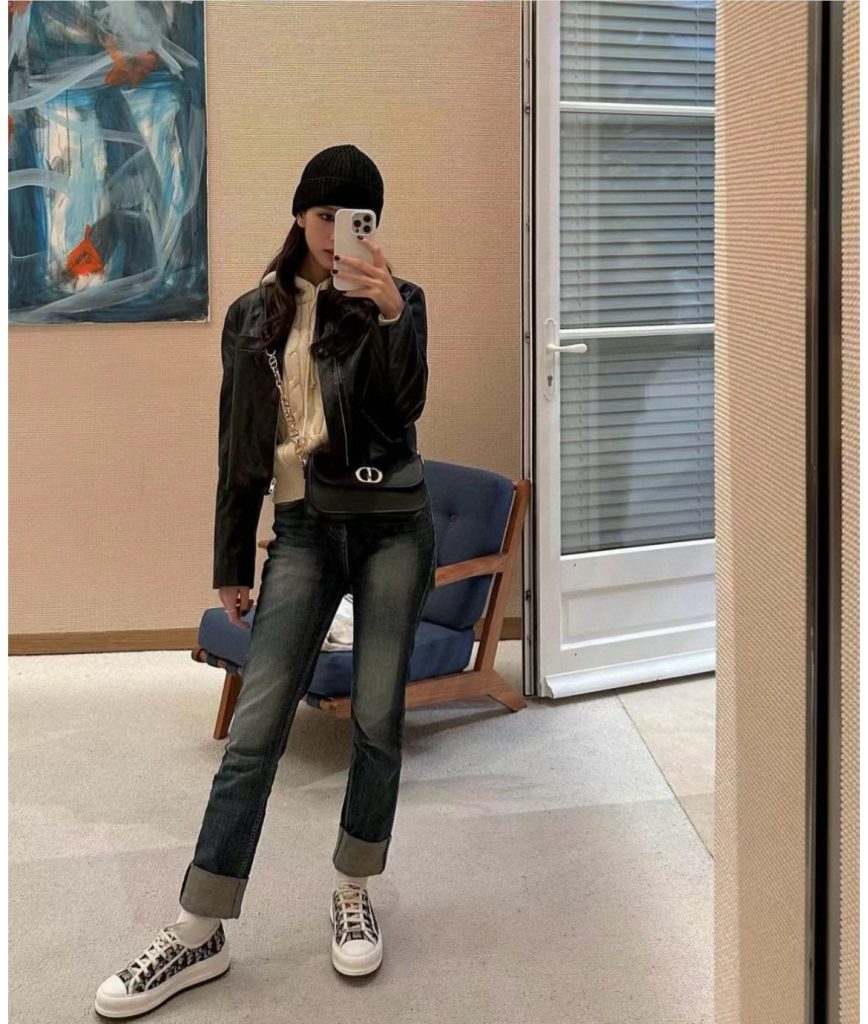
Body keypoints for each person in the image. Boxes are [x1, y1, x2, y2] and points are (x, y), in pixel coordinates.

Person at [95, 145, 436, 1018]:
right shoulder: (254, 314)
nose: (334, 232)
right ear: (299, 215)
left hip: (393, 525)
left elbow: (402, 414)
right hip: (305, 530)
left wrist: (391, 317)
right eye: (323, 215)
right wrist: (229, 563)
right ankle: (199, 927)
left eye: (353, 219)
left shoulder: (400, 301)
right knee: (255, 731)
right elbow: (240, 442)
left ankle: (354, 888)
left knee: (377, 721)